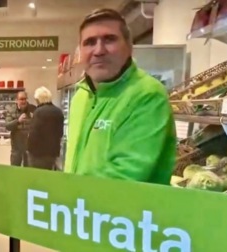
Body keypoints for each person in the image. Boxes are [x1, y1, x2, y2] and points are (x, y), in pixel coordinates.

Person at [64, 8, 177, 184]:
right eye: (90, 42)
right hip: (80, 208)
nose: (99, 50)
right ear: (80, 51)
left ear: (129, 46)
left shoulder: (147, 95)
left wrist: (68, 197)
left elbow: (125, 177)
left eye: (109, 39)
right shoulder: (81, 95)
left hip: (126, 210)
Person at [27, 87, 64, 170]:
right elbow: (60, 133)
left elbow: (34, 134)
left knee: (36, 176)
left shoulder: (38, 112)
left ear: (39, 99)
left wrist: (28, 149)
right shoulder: (58, 111)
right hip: (52, 153)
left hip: (38, 153)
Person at [5, 91, 36, 167]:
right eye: (21, 99)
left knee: (28, 171)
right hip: (16, 146)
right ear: (17, 100)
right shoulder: (11, 110)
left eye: (25, 99)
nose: (23, 101)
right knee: (14, 169)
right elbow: (7, 126)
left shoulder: (33, 109)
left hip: (29, 147)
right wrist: (18, 121)